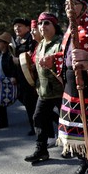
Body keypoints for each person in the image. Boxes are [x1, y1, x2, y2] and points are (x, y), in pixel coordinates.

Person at [42, 0, 88, 174]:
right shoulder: (71, 26)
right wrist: (54, 58)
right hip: (71, 84)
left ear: (83, 5)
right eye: (66, 3)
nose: (68, 6)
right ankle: (83, 160)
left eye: (73, 3)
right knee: (74, 126)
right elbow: (68, 54)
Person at [24, 12, 64, 163]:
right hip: (44, 92)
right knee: (38, 117)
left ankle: (79, 153)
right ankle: (41, 150)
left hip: (60, 92)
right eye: (40, 24)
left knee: (68, 122)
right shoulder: (40, 45)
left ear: (54, 26)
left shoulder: (60, 43)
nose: (42, 26)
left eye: (47, 23)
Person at [12, 17, 38, 136]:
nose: (17, 28)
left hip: (30, 76)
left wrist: (20, 60)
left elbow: (32, 56)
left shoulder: (30, 39)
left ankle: (36, 127)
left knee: (31, 101)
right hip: (21, 76)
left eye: (20, 26)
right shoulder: (17, 40)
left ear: (28, 28)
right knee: (26, 100)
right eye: (15, 26)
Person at [0, 32, 16, 129]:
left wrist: (14, 77)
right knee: (0, 102)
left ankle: (34, 123)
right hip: (1, 82)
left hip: (11, 82)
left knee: (27, 102)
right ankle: (2, 122)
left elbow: (15, 68)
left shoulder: (10, 56)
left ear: (6, 43)